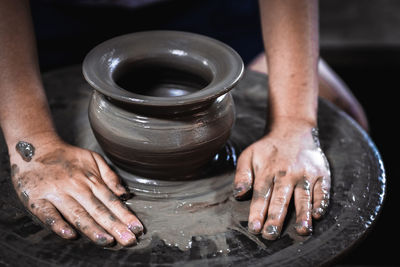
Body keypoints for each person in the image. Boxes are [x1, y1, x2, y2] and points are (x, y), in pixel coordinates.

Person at [0, 0, 368, 246]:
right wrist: (33, 140)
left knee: (341, 116)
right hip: (50, 21)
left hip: (205, 12)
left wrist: (293, 123)